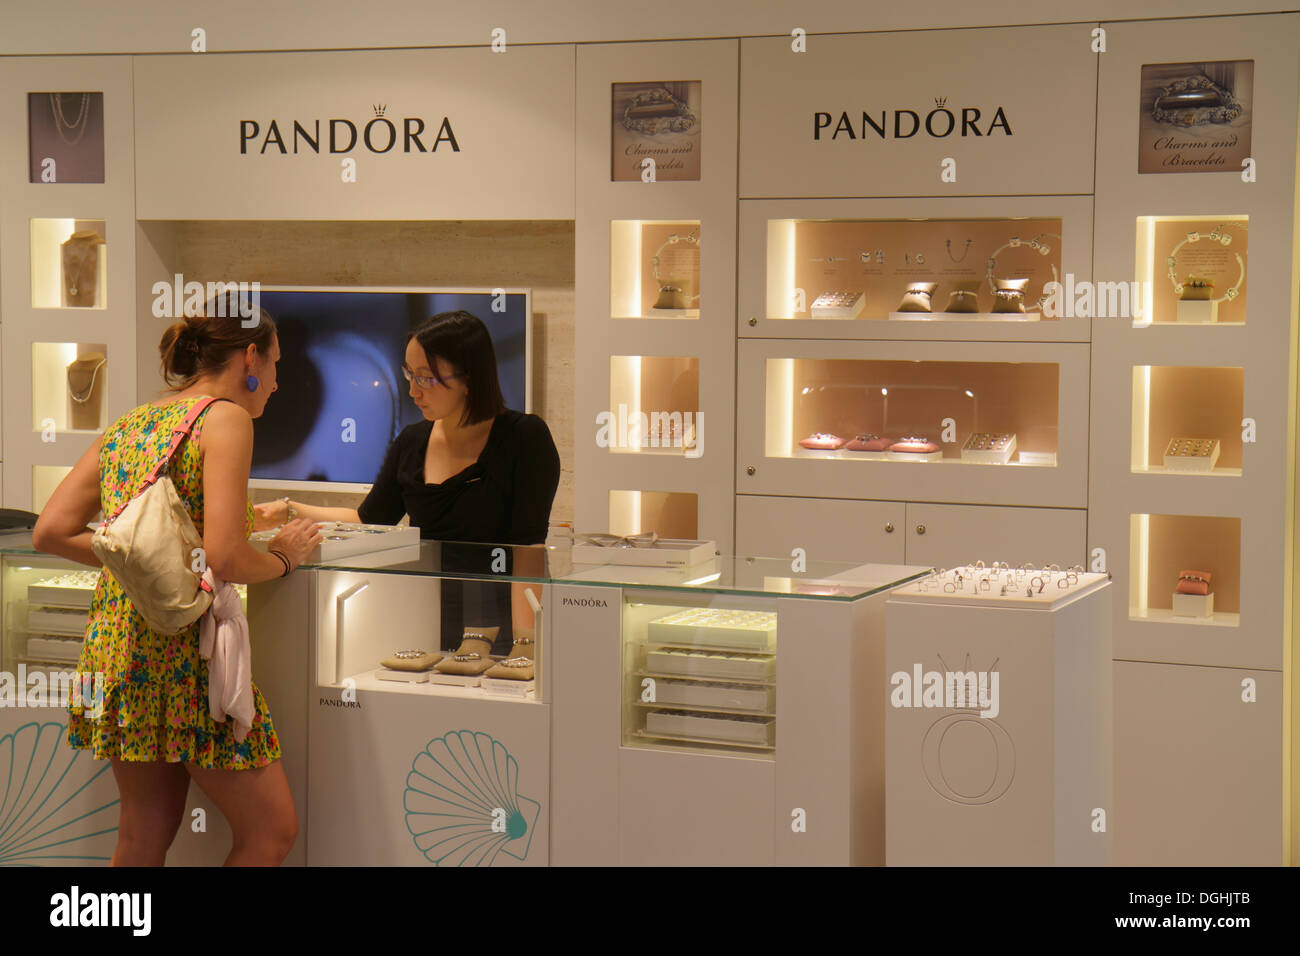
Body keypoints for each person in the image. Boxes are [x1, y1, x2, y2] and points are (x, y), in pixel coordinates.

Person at [32, 300, 322, 866]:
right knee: (271, 831)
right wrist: (284, 558)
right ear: (251, 356)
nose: (278, 383)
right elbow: (226, 557)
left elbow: (49, 531)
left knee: (143, 835)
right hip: (185, 653)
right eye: (278, 364)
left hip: (119, 648)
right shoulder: (227, 417)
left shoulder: (134, 421)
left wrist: (148, 569)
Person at [258, 309, 560, 651]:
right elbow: (369, 518)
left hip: (499, 627)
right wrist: (287, 510)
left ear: (469, 378)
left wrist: (526, 647)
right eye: (409, 375)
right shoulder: (412, 441)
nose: (414, 390)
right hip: (421, 621)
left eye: (426, 378)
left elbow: (528, 551)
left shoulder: (525, 438)